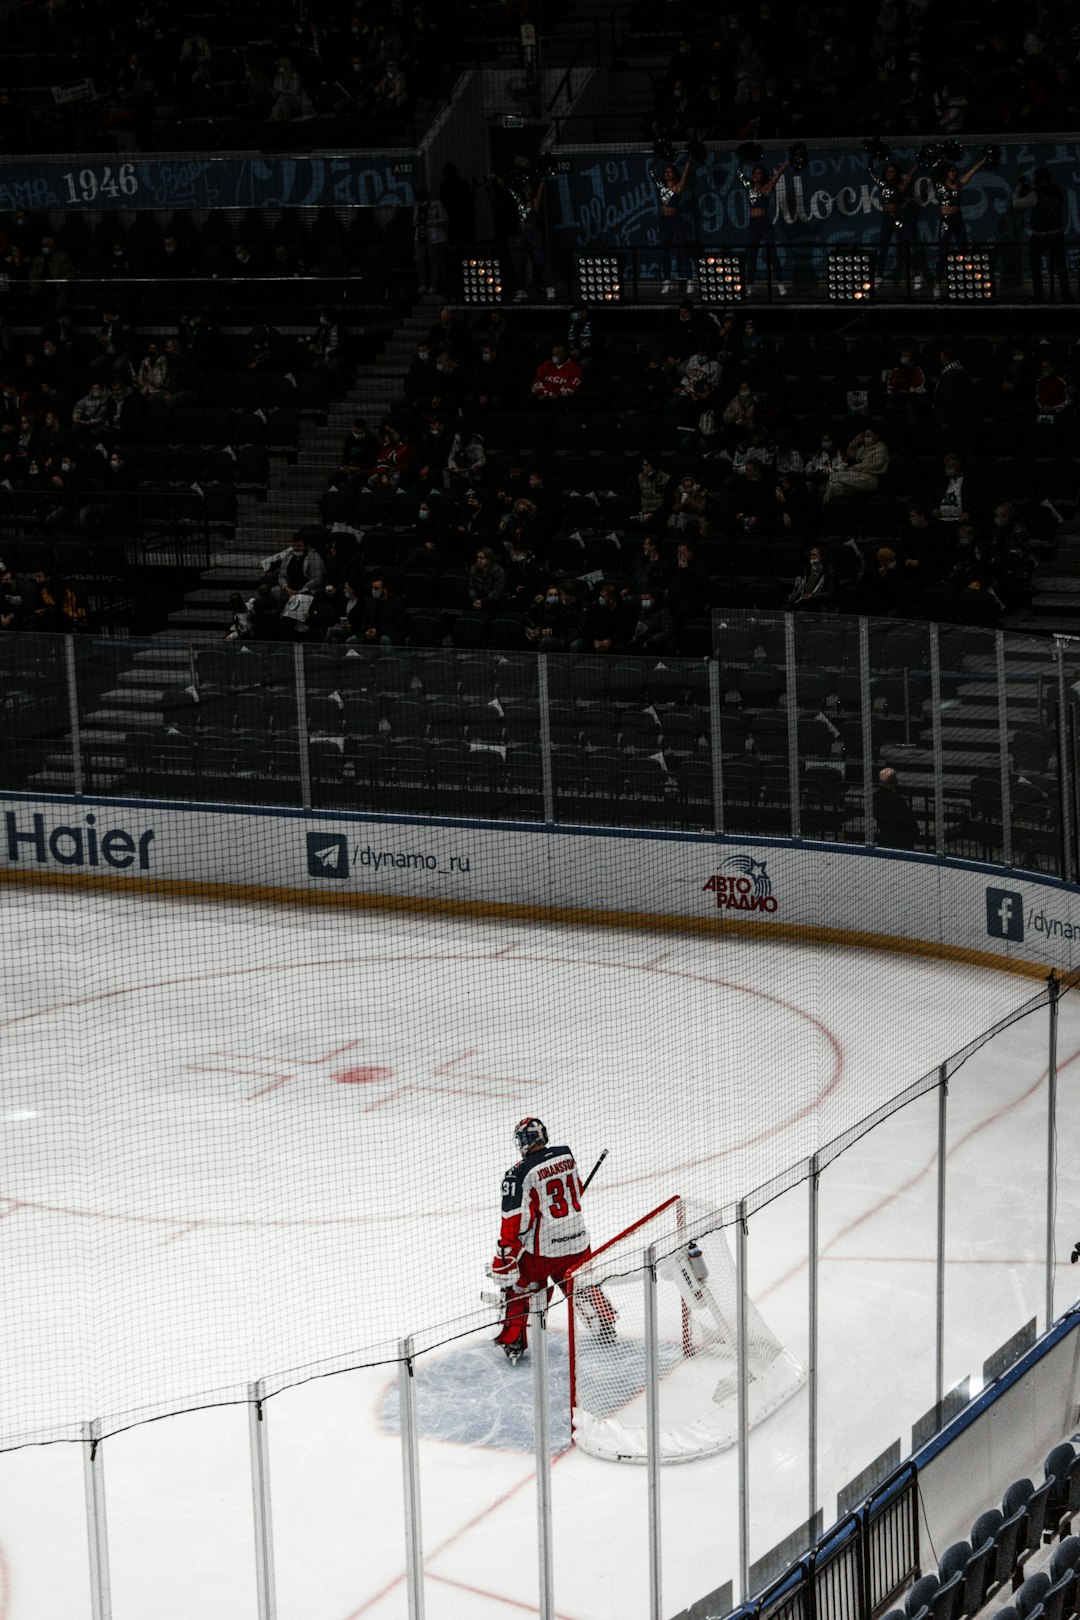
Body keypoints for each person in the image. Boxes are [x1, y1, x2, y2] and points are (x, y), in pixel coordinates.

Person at [490, 1117, 613, 1364]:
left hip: (543, 1253)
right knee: (581, 1284)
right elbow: (575, 1190)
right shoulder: (566, 1156)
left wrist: (505, 1258)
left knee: (519, 1286)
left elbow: (515, 1223)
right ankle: (604, 1321)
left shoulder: (518, 1174)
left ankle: (514, 1339)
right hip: (579, 1243)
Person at [931, 154, 989, 298]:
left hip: (958, 219)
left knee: (963, 249)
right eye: (951, 171)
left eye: (955, 171)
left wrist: (982, 161)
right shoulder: (939, 185)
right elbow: (934, 170)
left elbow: (971, 172)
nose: (954, 173)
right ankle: (937, 283)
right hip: (946, 221)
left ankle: (963, 280)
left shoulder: (958, 185)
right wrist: (940, 153)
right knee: (942, 251)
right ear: (946, 173)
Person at [1012, 169, 1071, 304]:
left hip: (1040, 236)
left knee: (1035, 266)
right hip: (1057, 234)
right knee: (1061, 267)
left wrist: (1018, 190)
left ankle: (1039, 295)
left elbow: (1016, 204)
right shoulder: (1058, 192)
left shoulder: (1035, 194)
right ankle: (1066, 295)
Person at [737, 158, 790, 295]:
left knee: (771, 253)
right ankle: (750, 285)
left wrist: (788, 160)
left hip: (764, 222)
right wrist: (742, 157)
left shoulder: (768, 187)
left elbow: (779, 173)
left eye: (759, 173)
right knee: (751, 255)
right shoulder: (748, 186)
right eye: (754, 173)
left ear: (763, 176)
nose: (756, 175)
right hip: (753, 225)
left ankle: (780, 284)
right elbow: (739, 173)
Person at [866, 156, 919, 283]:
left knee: (904, 246)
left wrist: (917, 164)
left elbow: (911, 176)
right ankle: (879, 276)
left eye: (892, 172)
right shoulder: (882, 185)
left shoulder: (900, 186)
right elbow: (870, 171)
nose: (889, 174)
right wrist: (871, 156)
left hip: (898, 218)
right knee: (883, 247)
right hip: (886, 219)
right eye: (888, 172)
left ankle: (917, 276)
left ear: (896, 174)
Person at [649, 153, 693, 295]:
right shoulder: (661, 186)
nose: (668, 174)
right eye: (666, 172)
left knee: (682, 251)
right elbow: (651, 171)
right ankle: (667, 281)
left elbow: (686, 171)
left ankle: (689, 281)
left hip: (676, 220)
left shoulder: (679, 187)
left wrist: (690, 157)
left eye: (670, 172)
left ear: (675, 174)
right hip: (664, 221)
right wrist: (657, 154)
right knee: (664, 252)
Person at [823, 427, 890, 503]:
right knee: (836, 487)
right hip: (858, 476)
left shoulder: (881, 449)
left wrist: (852, 468)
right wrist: (856, 441)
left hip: (870, 479)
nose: (866, 438)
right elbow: (850, 453)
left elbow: (874, 465)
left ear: (876, 436)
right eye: (865, 436)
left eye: (868, 436)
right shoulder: (864, 448)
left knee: (834, 476)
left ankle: (824, 509)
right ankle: (837, 510)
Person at [872, 766, 920, 850]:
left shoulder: (876, 796)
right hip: (900, 840)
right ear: (895, 782)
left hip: (885, 836)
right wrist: (915, 832)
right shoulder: (896, 799)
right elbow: (907, 819)